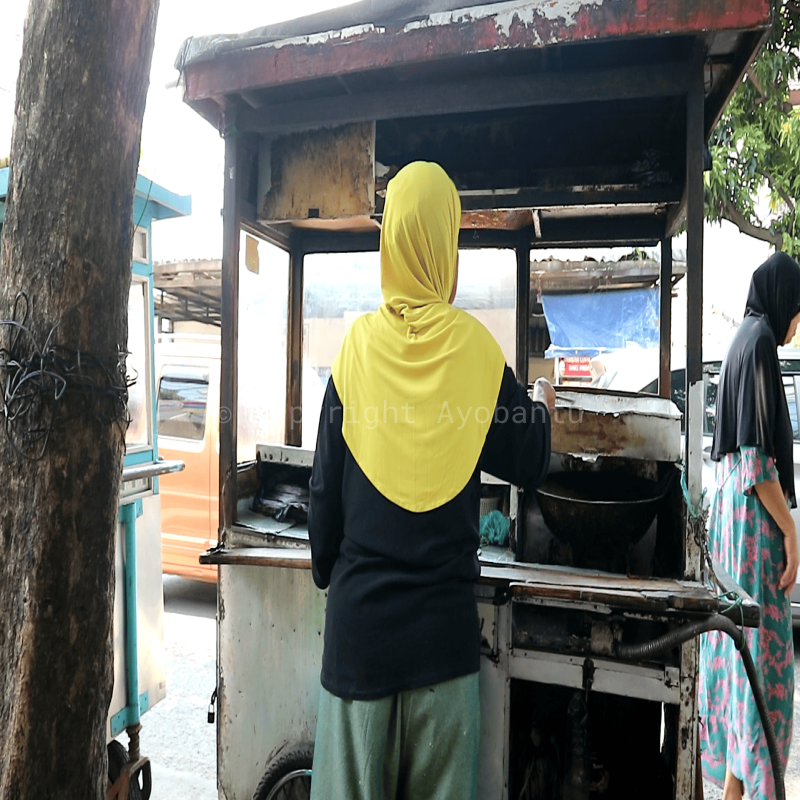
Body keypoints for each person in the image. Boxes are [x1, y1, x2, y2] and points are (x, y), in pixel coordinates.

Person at [307, 161, 553, 800]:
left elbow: (323, 495)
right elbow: (530, 457)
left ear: (390, 241)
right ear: (446, 246)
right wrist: (544, 400)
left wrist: (329, 570)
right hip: (442, 653)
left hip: (359, 639)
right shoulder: (473, 352)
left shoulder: (354, 351)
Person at [699, 251, 800, 800]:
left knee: (743, 664)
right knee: (765, 667)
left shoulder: (740, 340)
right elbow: (759, 461)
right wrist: (790, 532)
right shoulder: (760, 342)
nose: (797, 325)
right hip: (757, 533)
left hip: (732, 527)